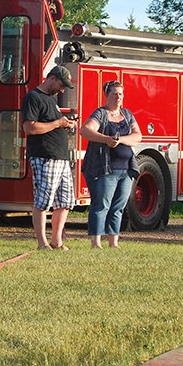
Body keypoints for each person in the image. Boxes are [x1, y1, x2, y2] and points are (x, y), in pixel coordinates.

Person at [79, 81, 142, 249]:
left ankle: (114, 242)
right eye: (114, 93)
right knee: (101, 205)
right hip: (105, 168)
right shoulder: (101, 114)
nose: (118, 97)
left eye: (120, 94)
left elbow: (138, 136)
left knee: (118, 206)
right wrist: (106, 140)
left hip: (126, 169)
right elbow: (85, 130)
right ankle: (96, 242)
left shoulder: (127, 115)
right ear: (106, 95)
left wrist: (120, 140)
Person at [21, 65, 78, 251]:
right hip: (44, 157)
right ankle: (42, 243)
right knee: (43, 202)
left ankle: (57, 241)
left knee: (65, 201)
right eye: (61, 85)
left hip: (61, 157)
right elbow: (30, 128)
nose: (62, 90)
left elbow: (55, 124)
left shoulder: (51, 100)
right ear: (52, 78)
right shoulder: (34, 97)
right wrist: (57, 123)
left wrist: (66, 124)